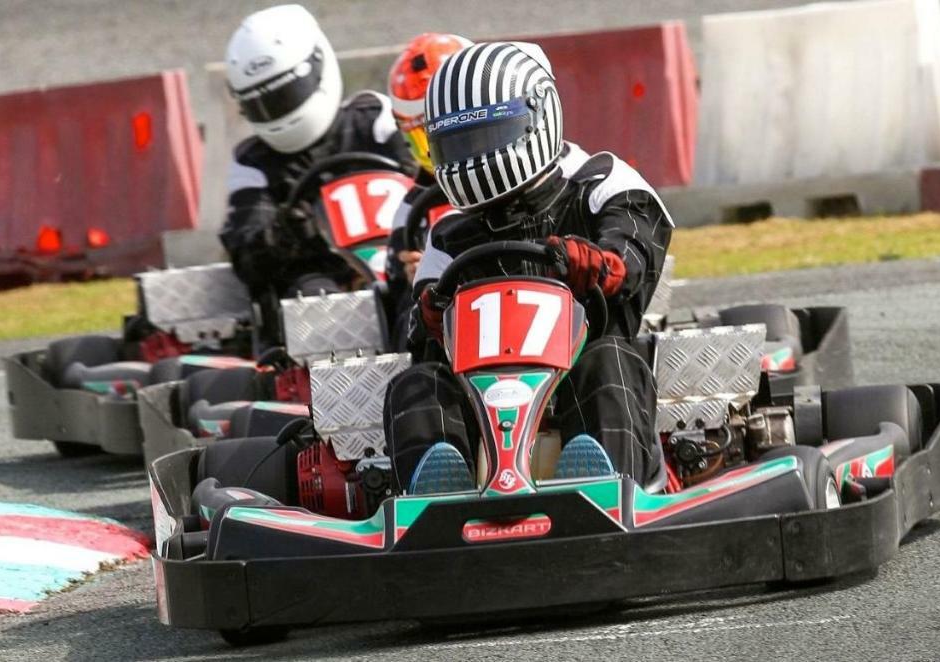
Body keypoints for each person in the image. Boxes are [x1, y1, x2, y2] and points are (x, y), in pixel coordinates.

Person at [382, 41, 675, 495]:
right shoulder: (448, 234)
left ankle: (605, 485)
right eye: (460, 144)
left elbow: (635, 249)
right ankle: (436, 499)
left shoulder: (599, 184)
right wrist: (430, 316)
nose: (474, 156)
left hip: (582, 378)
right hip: (484, 409)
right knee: (418, 384)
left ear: (536, 117)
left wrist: (601, 265)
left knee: (610, 360)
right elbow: (415, 336)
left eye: (484, 139)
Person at [219, 4, 413, 299]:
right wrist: (285, 233)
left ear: (318, 64)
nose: (278, 112)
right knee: (315, 296)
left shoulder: (376, 122)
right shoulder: (253, 166)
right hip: (323, 288)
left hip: (403, 260)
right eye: (264, 104)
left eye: (285, 96)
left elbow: (430, 184)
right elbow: (247, 258)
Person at [382, 32, 474, 346]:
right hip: (458, 322)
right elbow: (394, 296)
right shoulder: (411, 211)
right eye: (423, 135)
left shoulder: (526, 170)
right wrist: (415, 278)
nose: (439, 145)